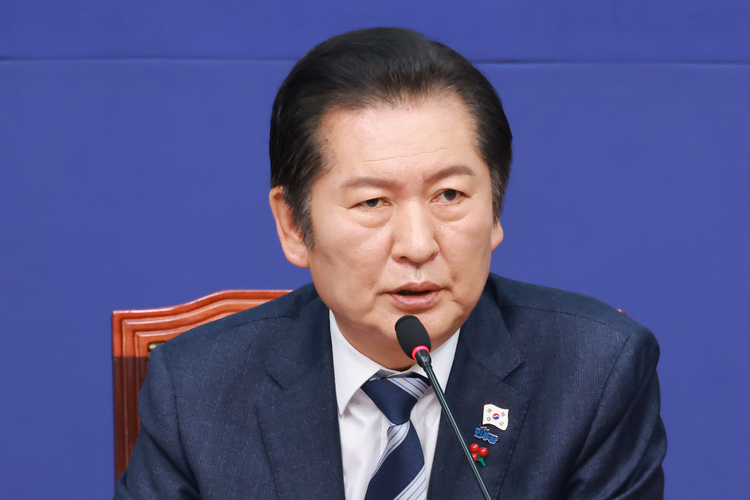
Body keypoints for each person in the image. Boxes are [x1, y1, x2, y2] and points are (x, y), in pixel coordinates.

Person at [114, 27, 666, 499]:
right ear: (294, 226)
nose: (418, 245)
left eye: (449, 195)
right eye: (373, 202)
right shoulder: (198, 391)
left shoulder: (593, 374)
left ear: (495, 210)